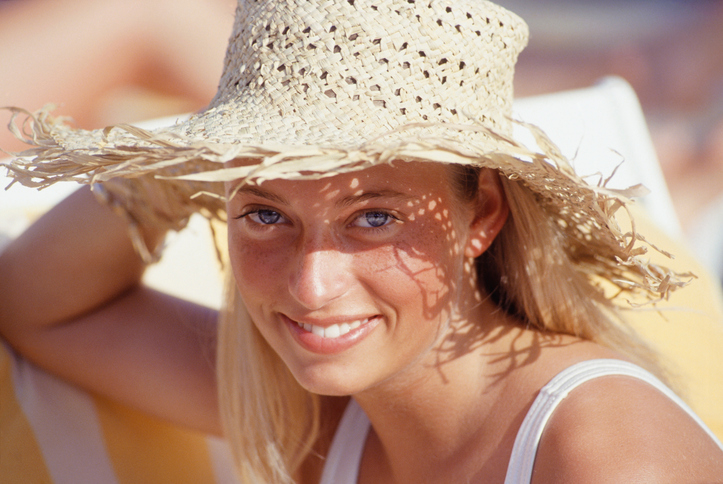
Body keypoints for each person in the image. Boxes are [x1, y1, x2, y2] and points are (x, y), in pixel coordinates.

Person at [1, 0, 722, 483]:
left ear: (483, 216)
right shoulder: (330, 409)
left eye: (373, 218)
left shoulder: (606, 454)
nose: (312, 288)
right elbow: (38, 305)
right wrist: (183, 169)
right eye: (266, 215)